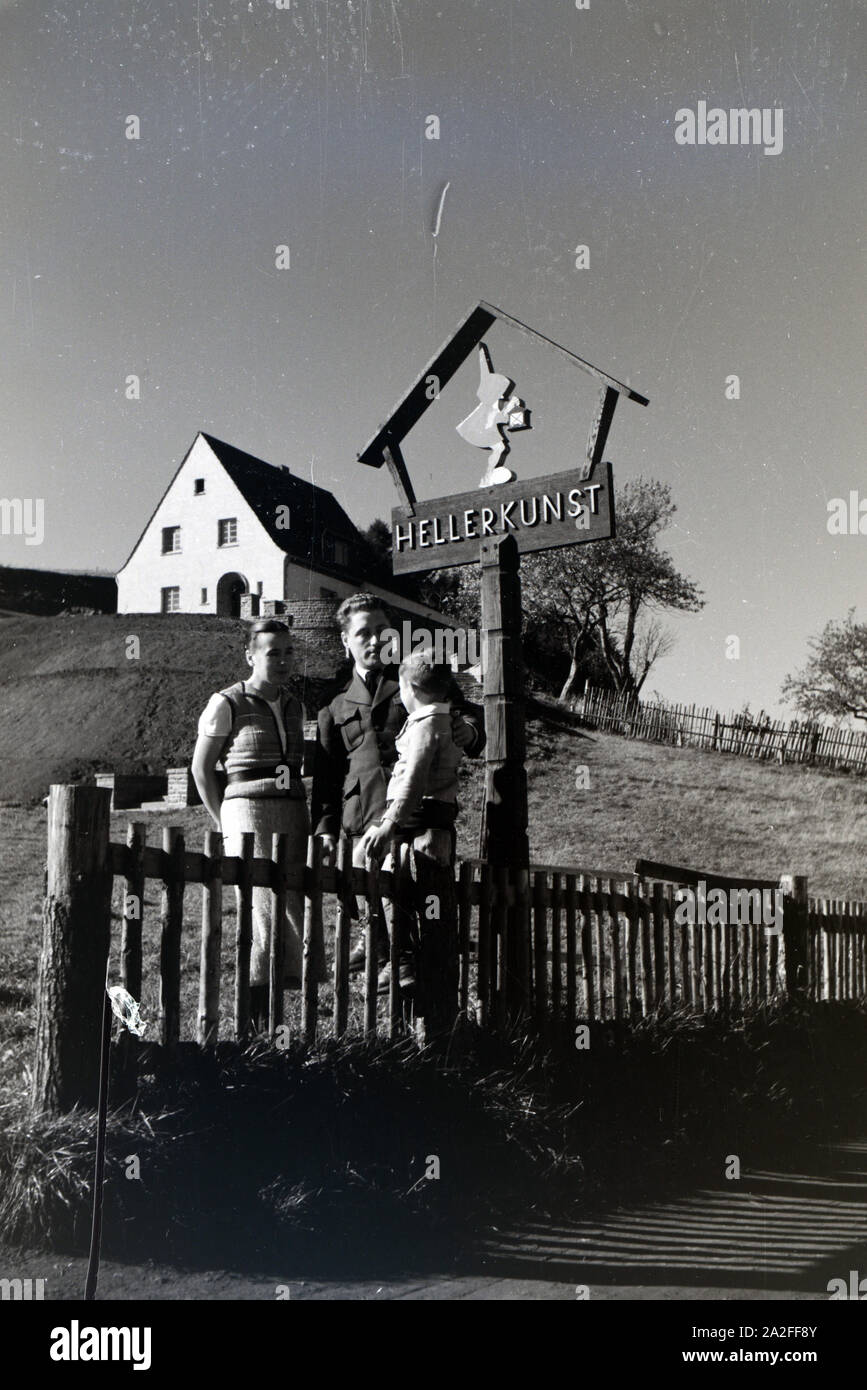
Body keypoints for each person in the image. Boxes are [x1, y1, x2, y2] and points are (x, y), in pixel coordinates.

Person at [312, 593, 484, 992]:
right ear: (345, 641)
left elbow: (467, 716)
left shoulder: (415, 680)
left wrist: (469, 730)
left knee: (422, 927)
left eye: (381, 631)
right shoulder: (333, 705)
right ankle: (372, 953)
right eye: (363, 633)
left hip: (415, 826)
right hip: (361, 822)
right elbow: (326, 777)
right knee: (372, 909)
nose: (374, 641)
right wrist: (324, 828)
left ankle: (429, 1035)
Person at [191, 618, 326, 1033]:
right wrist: (225, 821)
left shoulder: (293, 705)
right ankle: (253, 1025)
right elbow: (201, 769)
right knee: (260, 913)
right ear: (251, 656)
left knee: (296, 911)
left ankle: (285, 1030)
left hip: (292, 812)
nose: (283, 661)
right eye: (273, 653)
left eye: (288, 652)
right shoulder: (226, 702)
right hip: (247, 812)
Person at [358, 652, 465, 1012]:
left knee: (375, 869)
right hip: (434, 816)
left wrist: (389, 823)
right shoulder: (446, 720)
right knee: (403, 884)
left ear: (410, 688)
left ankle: (388, 950)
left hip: (415, 816)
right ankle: (393, 955)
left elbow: (415, 780)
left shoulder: (424, 725)